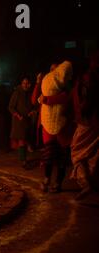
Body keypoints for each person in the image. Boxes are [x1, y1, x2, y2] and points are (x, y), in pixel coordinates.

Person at [38, 61, 76, 193]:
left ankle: (58, 182)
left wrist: (47, 100)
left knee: (62, 157)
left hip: (63, 127)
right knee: (48, 154)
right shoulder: (46, 87)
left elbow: (66, 98)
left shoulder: (68, 88)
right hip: (48, 125)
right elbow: (37, 100)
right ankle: (46, 179)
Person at [71, 52, 99, 200]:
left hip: (88, 122)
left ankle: (86, 184)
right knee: (93, 154)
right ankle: (92, 185)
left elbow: (86, 101)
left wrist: (81, 112)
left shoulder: (89, 77)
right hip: (94, 121)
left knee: (77, 152)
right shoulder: (91, 77)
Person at [9, 77, 35, 168]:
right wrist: (17, 115)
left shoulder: (31, 93)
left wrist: (33, 111)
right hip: (19, 121)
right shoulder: (17, 93)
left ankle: (25, 157)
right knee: (21, 140)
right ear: (21, 84)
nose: (25, 85)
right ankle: (23, 160)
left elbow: (33, 105)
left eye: (27, 83)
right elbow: (11, 107)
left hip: (28, 120)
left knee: (26, 139)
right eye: (24, 83)